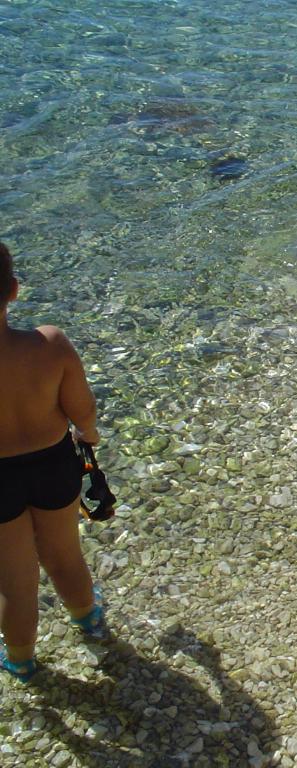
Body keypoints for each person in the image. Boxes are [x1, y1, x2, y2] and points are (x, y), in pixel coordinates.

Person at [0, 241, 108, 683]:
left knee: (15, 581)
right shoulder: (51, 344)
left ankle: (21, 661)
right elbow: (83, 411)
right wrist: (89, 435)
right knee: (64, 555)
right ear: (13, 289)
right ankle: (88, 620)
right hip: (52, 465)